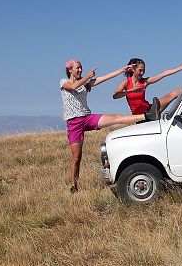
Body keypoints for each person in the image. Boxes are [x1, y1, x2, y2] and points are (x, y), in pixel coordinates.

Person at [60, 59, 160, 193]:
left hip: (87, 118)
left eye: (81, 68)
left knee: (117, 118)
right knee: (76, 158)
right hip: (74, 123)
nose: (80, 70)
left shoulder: (85, 83)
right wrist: (87, 77)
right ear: (70, 69)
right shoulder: (63, 82)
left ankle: (147, 115)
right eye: (77, 68)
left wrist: (121, 70)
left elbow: (104, 78)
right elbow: (72, 87)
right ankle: (74, 186)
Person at [112, 58, 182, 115]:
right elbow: (115, 95)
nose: (142, 73)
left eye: (143, 70)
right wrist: (132, 90)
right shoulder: (126, 82)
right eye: (140, 70)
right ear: (133, 69)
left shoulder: (144, 82)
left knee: (171, 95)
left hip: (150, 110)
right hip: (138, 116)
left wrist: (181, 68)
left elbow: (163, 74)